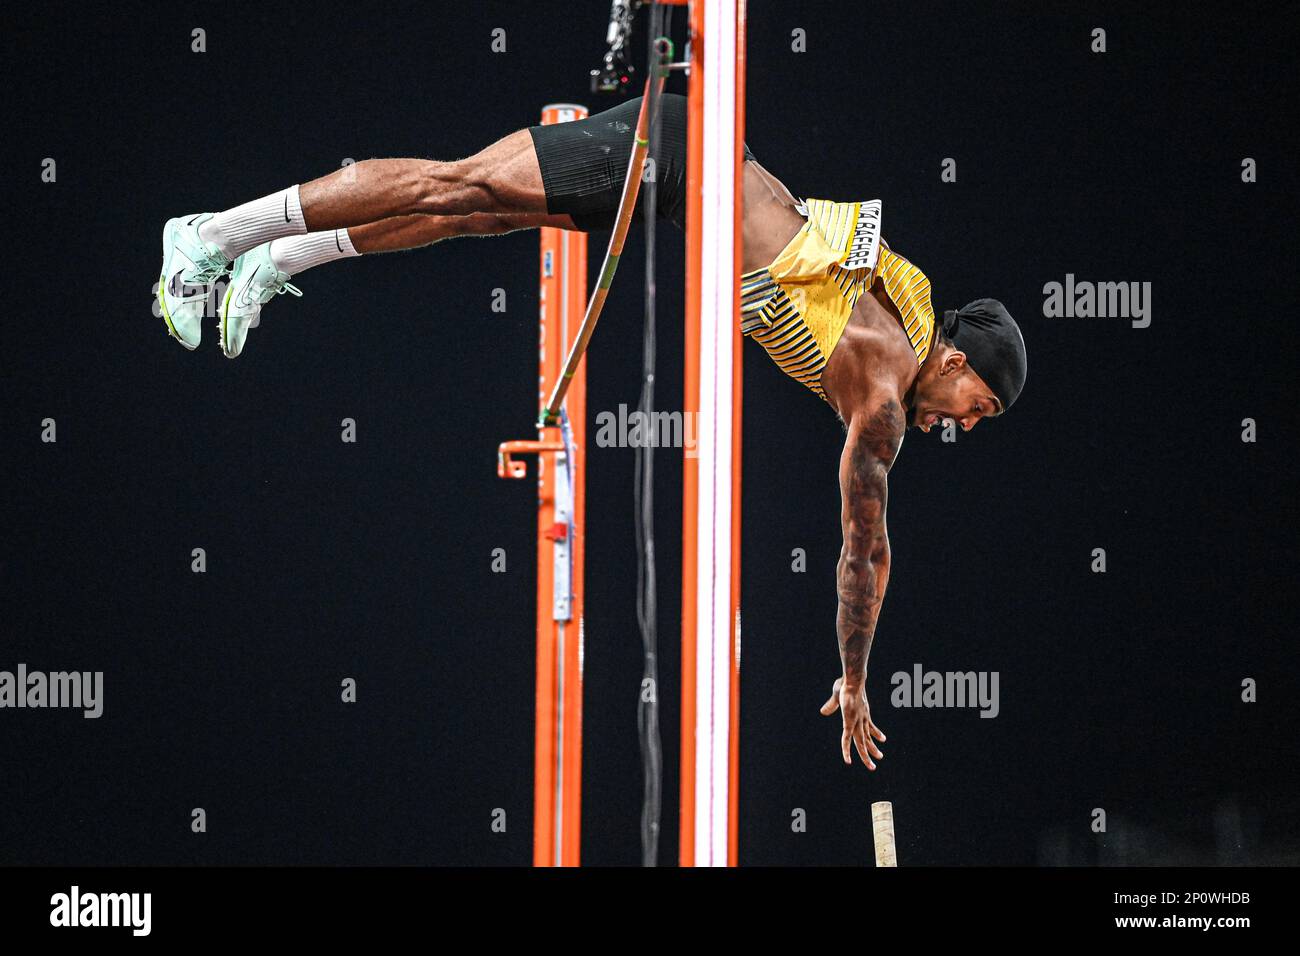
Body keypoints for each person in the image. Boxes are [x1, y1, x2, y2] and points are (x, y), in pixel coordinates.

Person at [156, 93, 1027, 770]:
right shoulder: (881, 392)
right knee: (457, 183)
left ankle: (276, 260)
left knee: (481, 211)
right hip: (680, 157)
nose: (964, 427)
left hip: (690, 179)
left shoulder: (908, 320)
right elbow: (861, 556)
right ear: (954, 366)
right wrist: (855, 676)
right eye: (977, 408)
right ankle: (210, 235)